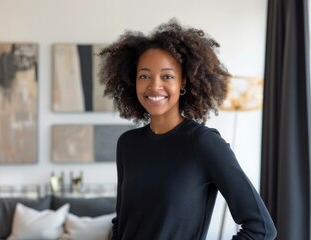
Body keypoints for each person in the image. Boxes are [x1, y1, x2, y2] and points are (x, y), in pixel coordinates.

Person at [98, 18, 277, 240]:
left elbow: (262, 228)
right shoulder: (127, 144)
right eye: (144, 76)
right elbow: (121, 222)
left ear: (183, 82)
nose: (154, 86)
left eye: (167, 76)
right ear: (132, 81)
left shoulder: (203, 143)